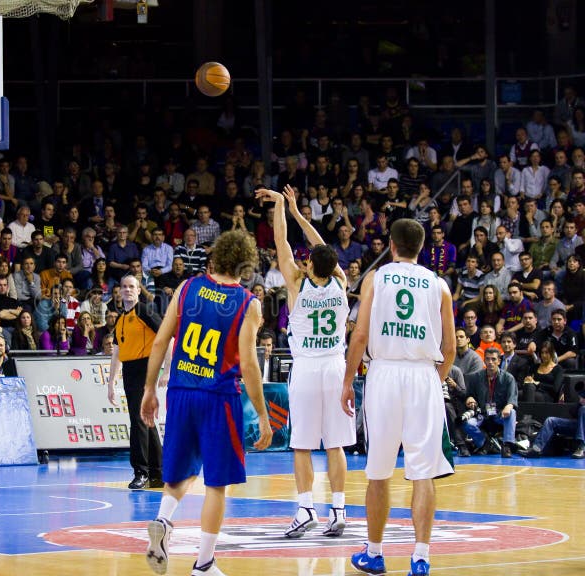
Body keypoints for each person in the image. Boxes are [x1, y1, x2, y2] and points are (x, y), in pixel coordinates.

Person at [140, 229, 272, 576]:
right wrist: (262, 413)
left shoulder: (186, 288)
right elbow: (248, 363)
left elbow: (159, 342)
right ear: (245, 265)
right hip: (218, 397)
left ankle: (163, 520)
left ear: (214, 257)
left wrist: (149, 389)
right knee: (217, 484)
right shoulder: (248, 303)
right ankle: (204, 563)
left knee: (182, 470)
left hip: (181, 390)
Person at [342, 218, 455, 576]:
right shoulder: (440, 286)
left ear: (391, 245)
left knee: (378, 471)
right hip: (424, 374)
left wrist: (347, 382)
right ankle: (420, 557)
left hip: (385, 373)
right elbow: (450, 349)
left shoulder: (376, 279)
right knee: (423, 473)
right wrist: (431, 382)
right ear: (421, 248)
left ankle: (374, 553)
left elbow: (359, 337)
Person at [258, 185, 355, 538]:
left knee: (301, 444)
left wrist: (283, 207)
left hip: (307, 368)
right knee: (336, 444)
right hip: (336, 367)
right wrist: (301, 214)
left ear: (310, 262)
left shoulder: (298, 283)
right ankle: (340, 509)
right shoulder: (341, 282)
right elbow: (321, 248)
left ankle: (305, 509)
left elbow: (282, 244)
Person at [107, 274, 164, 490]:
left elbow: (166, 336)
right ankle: (158, 473)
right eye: (124, 286)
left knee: (139, 420)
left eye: (132, 286)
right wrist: (111, 383)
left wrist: (166, 369)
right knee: (146, 421)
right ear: (119, 291)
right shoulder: (121, 318)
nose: (128, 290)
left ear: (139, 290)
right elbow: (117, 352)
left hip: (145, 367)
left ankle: (141, 471)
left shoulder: (144, 310)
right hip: (130, 371)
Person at [462, 348, 519, 458]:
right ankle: (484, 443)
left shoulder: (508, 378)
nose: (490, 362)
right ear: (484, 360)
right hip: (482, 414)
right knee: (467, 423)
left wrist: (509, 406)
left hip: (499, 414)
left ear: (499, 361)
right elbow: (469, 395)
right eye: (487, 359)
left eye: (493, 359)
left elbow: (512, 398)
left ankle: (507, 445)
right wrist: (469, 399)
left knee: (511, 412)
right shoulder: (476, 377)